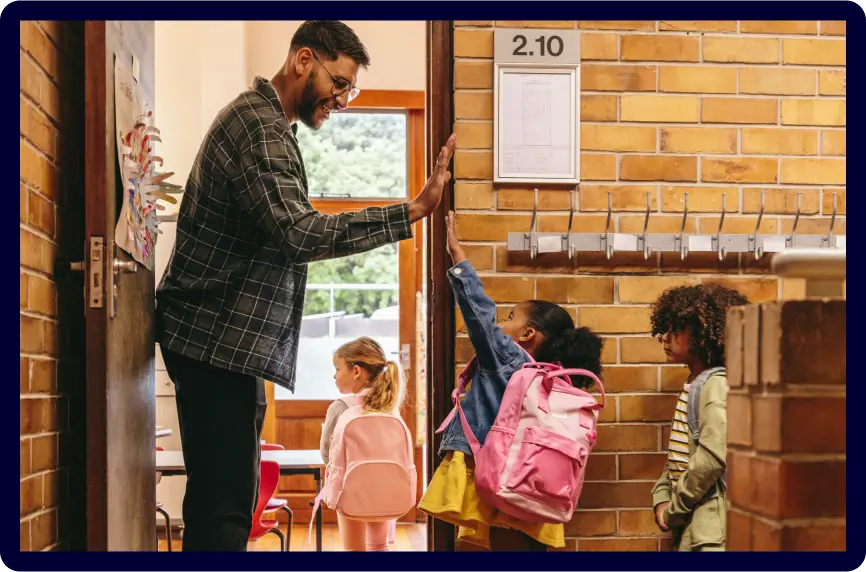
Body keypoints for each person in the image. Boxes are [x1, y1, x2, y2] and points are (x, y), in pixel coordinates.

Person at [155, 20, 456, 551]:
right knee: (225, 508)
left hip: (224, 345)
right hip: (215, 342)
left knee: (225, 501)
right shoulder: (258, 127)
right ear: (303, 61)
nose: (341, 99)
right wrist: (410, 211)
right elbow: (300, 233)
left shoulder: (269, 126)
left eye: (350, 90)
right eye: (339, 83)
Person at [418, 212, 604, 552]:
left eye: (510, 317)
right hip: (533, 479)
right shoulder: (557, 380)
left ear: (528, 334)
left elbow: (478, 314)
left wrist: (458, 256)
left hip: (494, 471)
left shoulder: (509, 360)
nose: (503, 323)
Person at [649, 284, 748, 552]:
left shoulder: (715, 385)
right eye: (665, 328)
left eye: (675, 329)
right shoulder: (696, 383)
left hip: (711, 533)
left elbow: (712, 457)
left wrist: (674, 508)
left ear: (703, 334)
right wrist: (661, 495)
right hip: (694, 526)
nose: (665, 338)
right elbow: (681, 453)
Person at [320, 337, 405, 551]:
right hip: (386, 488)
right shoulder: (389, 406)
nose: (334, 375)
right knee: (379, 547)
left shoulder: (341, 407)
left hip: (350, 490)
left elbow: (327, 453)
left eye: (337, 369)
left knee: (353, 550)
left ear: (356, 371)